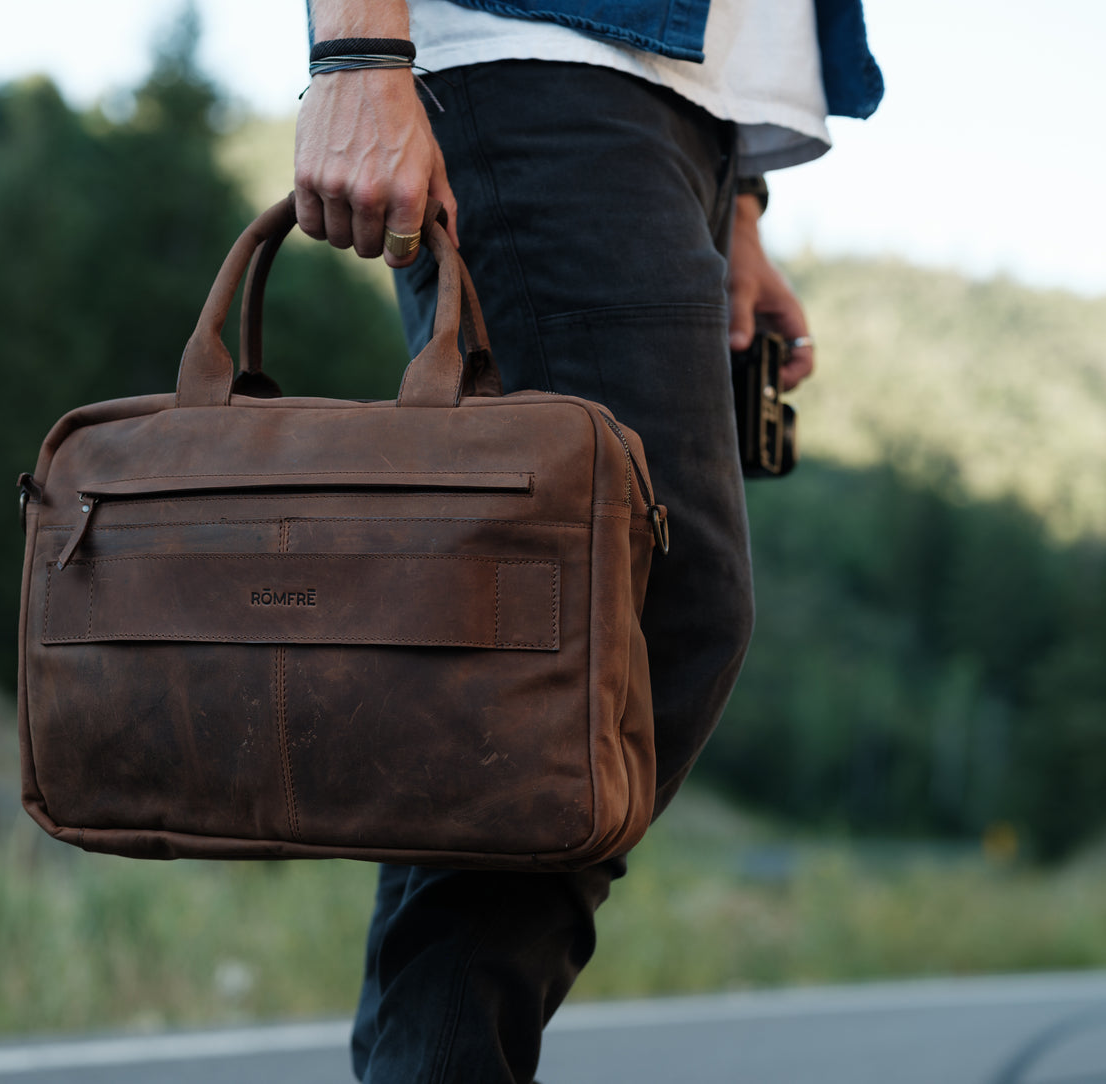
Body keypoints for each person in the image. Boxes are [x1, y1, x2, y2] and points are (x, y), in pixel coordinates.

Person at [293, 2, 882, 1081]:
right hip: (534, 67)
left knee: (533, 650)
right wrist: (357, 53)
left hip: (675, 109)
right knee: (608, 630)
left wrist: (737, 201)